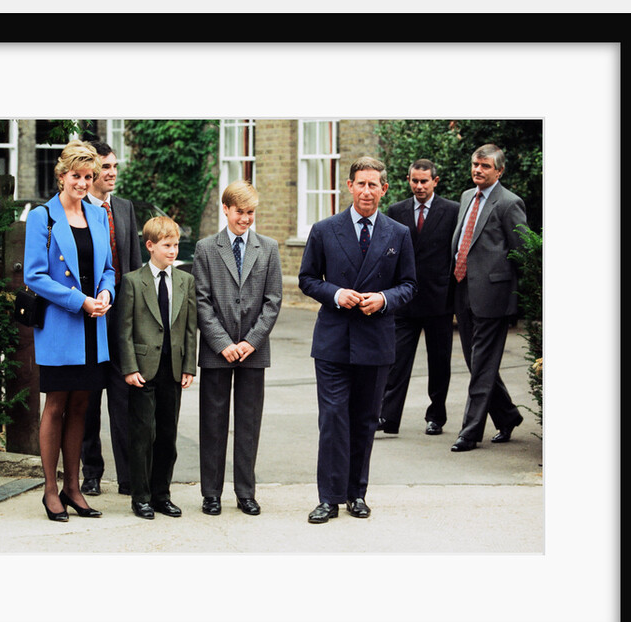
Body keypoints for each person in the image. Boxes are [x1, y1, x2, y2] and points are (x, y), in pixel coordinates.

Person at [299, 157, 416, 524]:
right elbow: (307, 279)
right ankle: (329, 498)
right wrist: (335, 294)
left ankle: (356, 494)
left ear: (384, 189)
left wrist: (383, 299)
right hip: (334, 339)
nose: (367, 191)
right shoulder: (324, 229)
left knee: (365, 419)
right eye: (360, 184)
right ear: (348, 186)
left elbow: (409, 285)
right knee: (333, 419)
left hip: (376, 340)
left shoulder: (398, 233)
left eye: (374, 185)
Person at [24, 140, 115, 521]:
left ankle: (74, 488)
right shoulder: (41, 217)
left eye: (88, 176)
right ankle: (50, 491)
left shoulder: (97, 216)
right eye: (76, 176)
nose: (82, 182)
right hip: (63, 325)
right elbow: (34, 275)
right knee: (57, 405)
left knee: (83, 406)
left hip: (95, 327)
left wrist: (107, 290)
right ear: (61, 176)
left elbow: (108, 268)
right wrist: (80, 301)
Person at [192, 180, 283, 517]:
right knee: (213, 423)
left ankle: (245, 491)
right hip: (218, 351)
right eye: (240, 212)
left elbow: (273, 301)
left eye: (251, 213)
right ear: (226, 210)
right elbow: (201, 301)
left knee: (248, 424)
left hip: (253, 351)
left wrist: (250, 342)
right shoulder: (205, 248)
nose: (246, 219)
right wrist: (222, 343)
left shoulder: (268, 248)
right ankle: (211, 493)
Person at [117, 216, 197, 519]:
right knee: (142, 434)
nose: (173, 251)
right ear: (150, 246)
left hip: (173, 369)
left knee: (167, 434)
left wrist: (189, 365)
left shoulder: (185, 281)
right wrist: (128, 367)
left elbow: (191, 328)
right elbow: (124, 329)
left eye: (176, 245)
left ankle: (162, 494)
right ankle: (141, 497)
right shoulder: (134, 281)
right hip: (142, 369)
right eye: (167, 245)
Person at [449, 144, 527, 452]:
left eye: (485, 166)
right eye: (475, 164)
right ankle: (507, 416)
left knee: (481, 365)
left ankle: (469, 432)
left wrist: (513, 301)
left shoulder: (510, 203)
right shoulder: (467, 197)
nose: (478, 170)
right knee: (475, 362)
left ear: (499, 170)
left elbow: (522, 254)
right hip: (462, 288)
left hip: (493, 296)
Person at [379, 159, 459, 436]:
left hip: (439, 300)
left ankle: (436, 416)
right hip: (405, 300)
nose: (419, 186)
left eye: (424, 181)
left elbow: (456, 255)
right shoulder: (395, 210)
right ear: (408, 179)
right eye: (414, 181)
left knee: (439, 363)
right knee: (396, 360)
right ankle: (388, 417)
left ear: (435, 182)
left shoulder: (452, 211)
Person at [80, 142, 142, 498]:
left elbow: (132, 266)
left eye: (114, 166)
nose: (112, 172)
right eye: (105, 167)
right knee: (89, 401)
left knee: (124, 399)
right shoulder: (74, 211)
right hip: (90, 317)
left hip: (121, 318)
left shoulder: (124, 208)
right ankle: (91, 472)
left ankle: (128, 476)